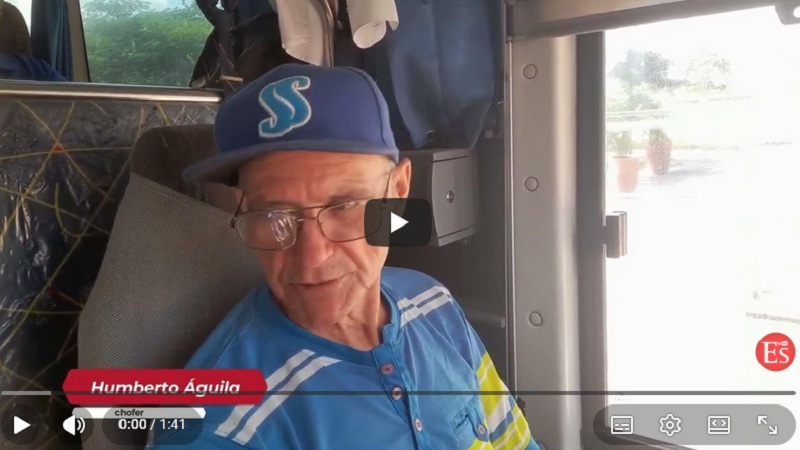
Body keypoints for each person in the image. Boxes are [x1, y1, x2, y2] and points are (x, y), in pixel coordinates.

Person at [148, 63, 539, 449]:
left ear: (398, 192)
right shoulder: (218, 423)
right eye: (272, 214)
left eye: (345, 205)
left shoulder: (433, 303)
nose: (311, 258)